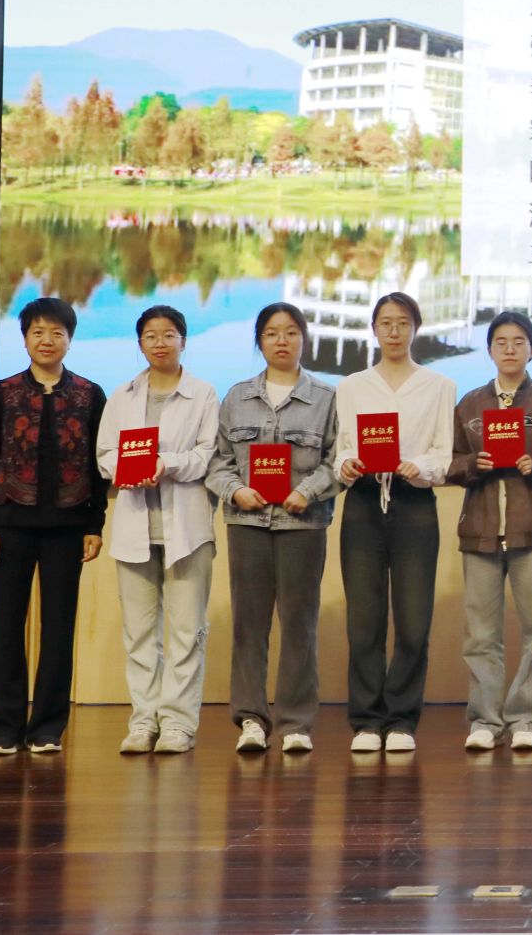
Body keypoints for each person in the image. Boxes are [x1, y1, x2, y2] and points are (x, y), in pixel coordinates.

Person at [0, 296, 108, 756]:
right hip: (10, 525)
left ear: (70, 339)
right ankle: (6, 729)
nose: (47, 340)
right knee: (5, 629)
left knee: (59, 629)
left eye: (57, 333)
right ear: (25, 338)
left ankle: (47, 728)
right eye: (38, 332)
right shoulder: (1, 393)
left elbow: (97, 467)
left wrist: (95, 524)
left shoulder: (90, 394)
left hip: (68, 528)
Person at [204, 302, 340, 755]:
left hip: (303, 523)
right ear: (259, 341)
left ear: (304, 338)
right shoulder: (237, 397)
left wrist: (309, 491)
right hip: (247, 522)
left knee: (300, 625)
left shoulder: (327, 398)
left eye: (290, 332)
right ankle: (251, 720)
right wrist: (236, 490)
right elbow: (218, 462)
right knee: (249, 625)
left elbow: (337, 460)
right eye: (271, 333)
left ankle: (296, 723)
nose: (282, 340)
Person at [332, 292, 456, 753]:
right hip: (364, 503)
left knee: (413, 621)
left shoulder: (439, 385)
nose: (394, 331)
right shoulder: (352, 386)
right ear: (374, 329)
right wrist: (346, 464)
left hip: (414, 504)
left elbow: (444, 454)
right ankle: (366, 721)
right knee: (363, 620)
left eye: (403, 322)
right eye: (385, 323)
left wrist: (419, 466)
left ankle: (402, 719)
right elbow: (343, 446)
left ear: (416, 328)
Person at [94, 304, 219, 755]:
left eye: (169, 335)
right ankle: (144, 721)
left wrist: (165, 463)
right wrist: (123, 470)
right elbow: (105, 454)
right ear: (140, 343)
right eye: (150, 335)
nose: (160, 343)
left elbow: (207, 455)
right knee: (140, 633)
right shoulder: (122, 395)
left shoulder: (203, 394)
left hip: (186, 528)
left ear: (183, 341)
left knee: (187, 631)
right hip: (135, 527)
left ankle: (178, 724)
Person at [450, 311, 532, 752]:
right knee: (481, 634)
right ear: (489, 350)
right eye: (501, 342)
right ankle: (485, 719)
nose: (510, 349)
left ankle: (526, 718)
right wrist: (471, 464)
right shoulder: (470, 404)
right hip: (480, 530)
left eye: (519, 341)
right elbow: (450, 462)